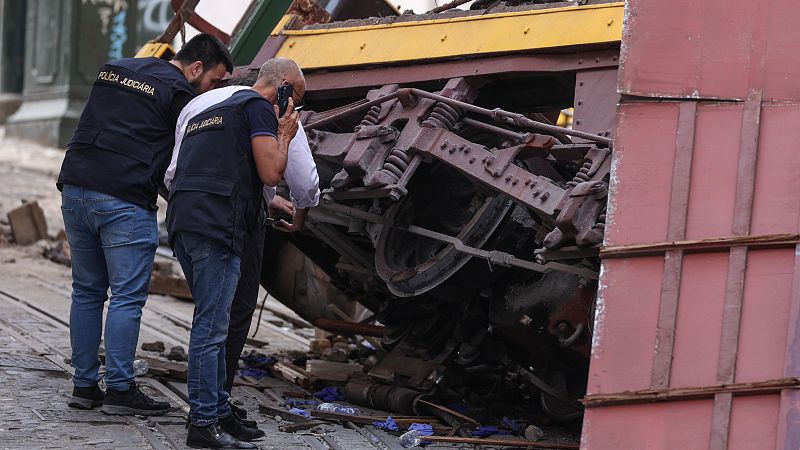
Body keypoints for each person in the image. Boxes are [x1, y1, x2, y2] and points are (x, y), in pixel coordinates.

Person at [57, 33, 233, 416]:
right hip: (123, 197)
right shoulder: (180, 95)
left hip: (75, 187)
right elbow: (183, 161)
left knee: (86, 291)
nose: (211, 90)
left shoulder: (115, 68)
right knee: (126, 296)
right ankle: (120, 389)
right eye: (215, 82)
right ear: (196, 67)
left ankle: (84, 386)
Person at [163, 73, 320, 434]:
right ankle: (203, 423)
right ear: (282, 87)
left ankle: (218, 410)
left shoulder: (203, 107)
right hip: (219, 224)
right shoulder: (260, 108)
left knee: (213, 319)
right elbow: (271, 172)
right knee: (213, 328)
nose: (294, 108)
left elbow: (173, 173)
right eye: (294, 98)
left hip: (184, 218)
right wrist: (285, 134)